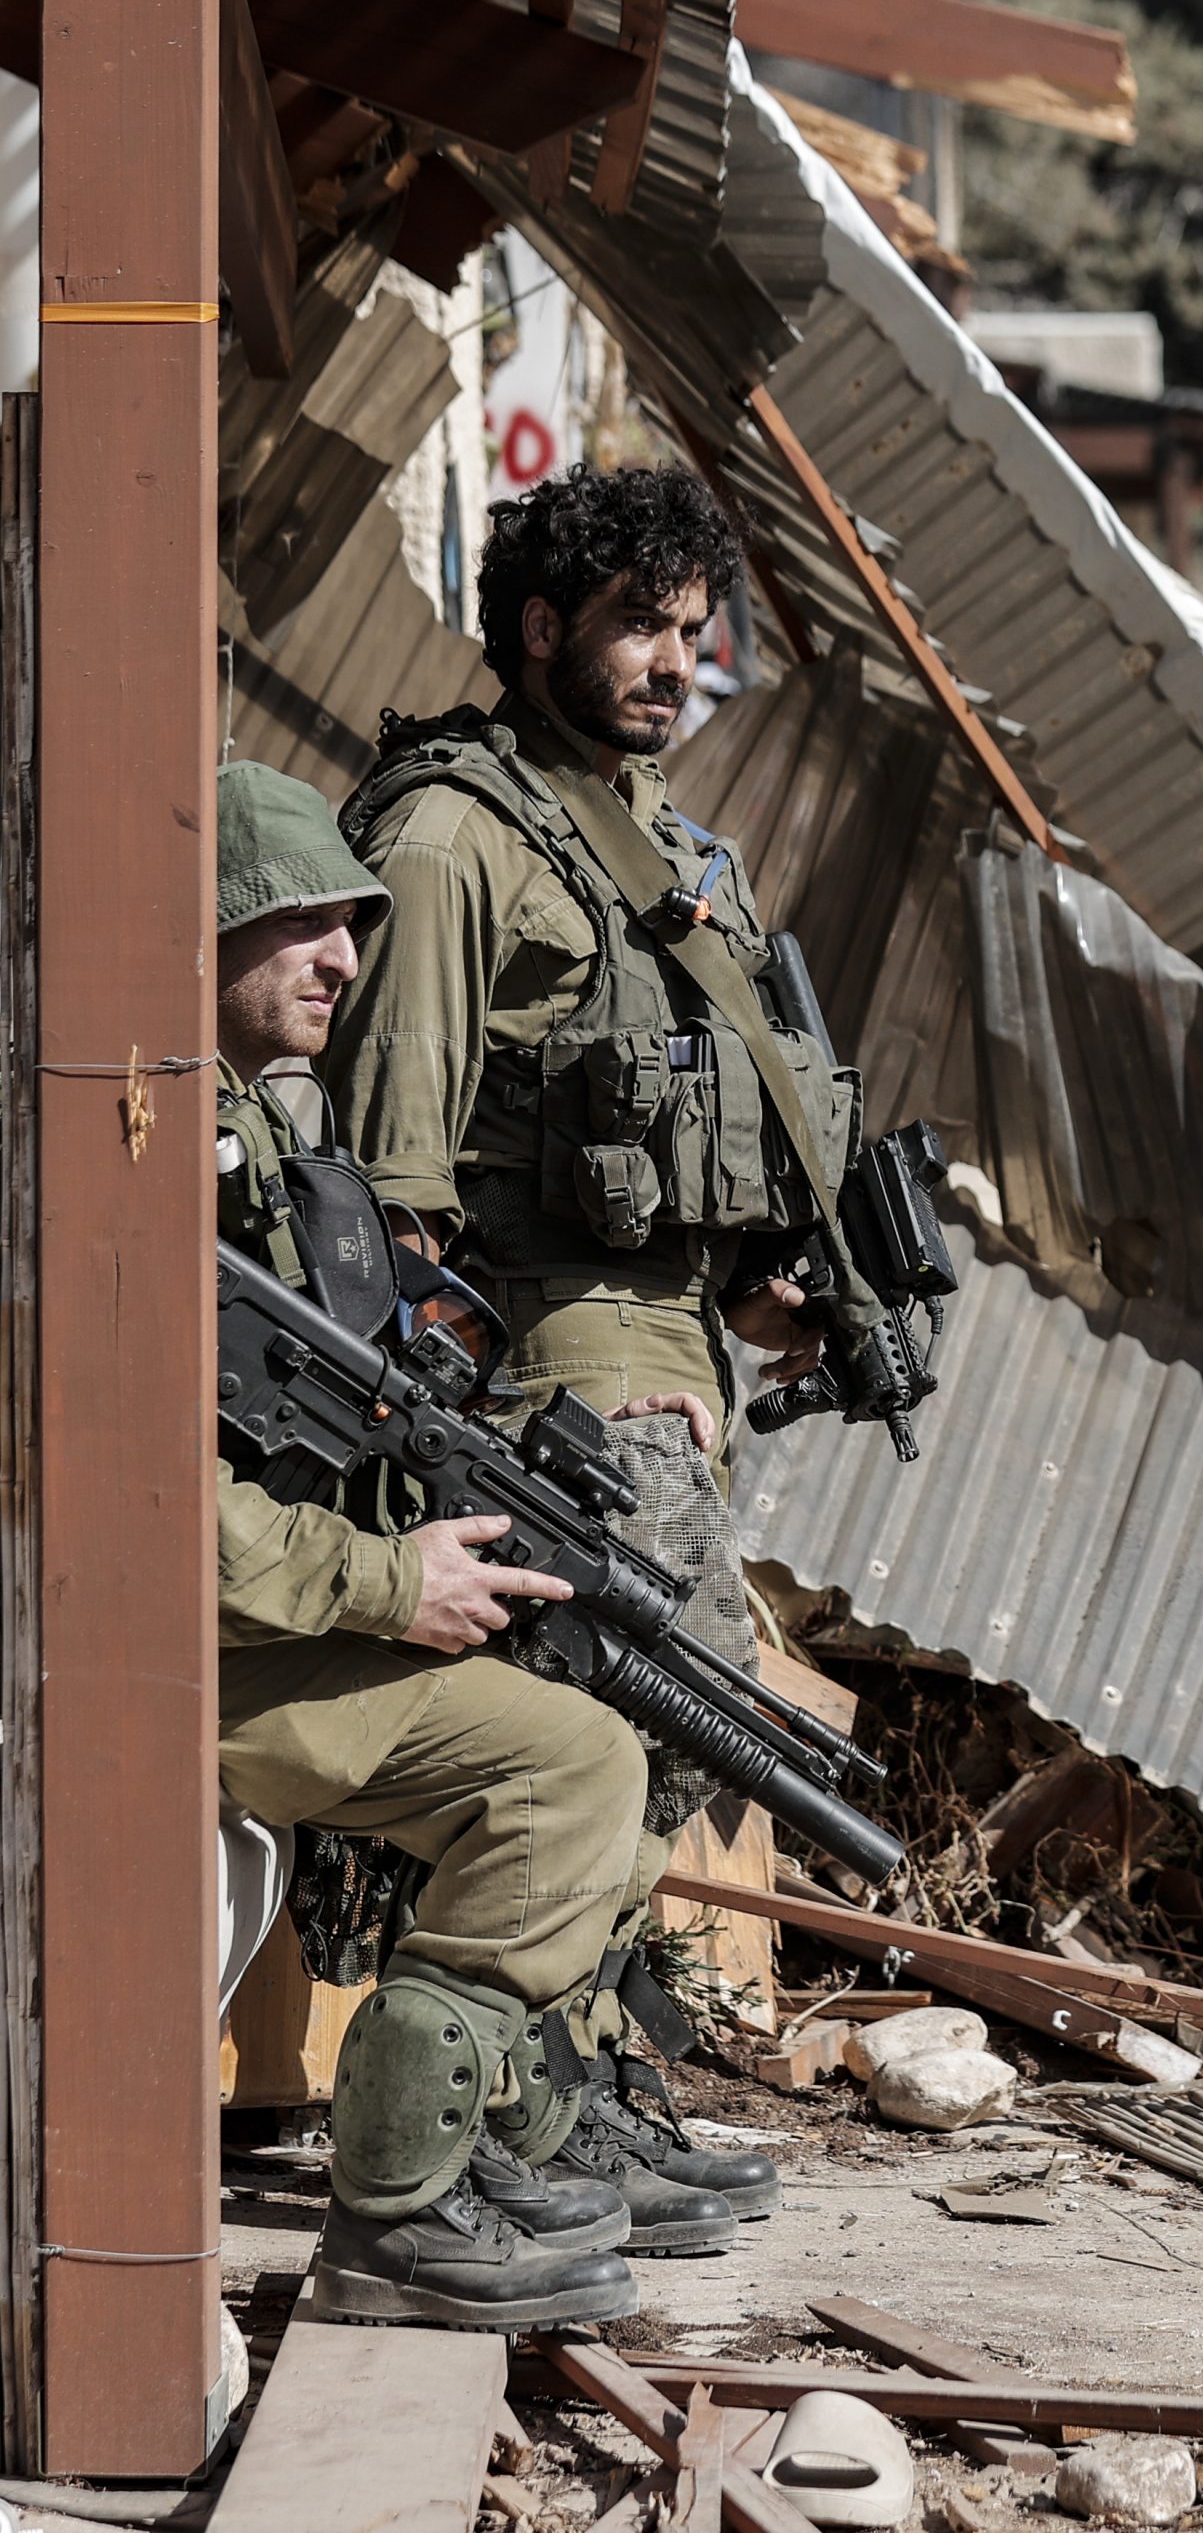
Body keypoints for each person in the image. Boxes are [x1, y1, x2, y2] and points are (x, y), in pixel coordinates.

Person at [323, 465, 871, 2220]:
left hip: (668, 1362)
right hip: (547, 1376)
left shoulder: (668, 850)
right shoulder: (450, 837)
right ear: (542, 624)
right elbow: (387, 1190)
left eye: (693, 632)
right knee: (624, 1731)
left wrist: (761, 1301)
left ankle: (567, 2092)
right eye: (640, 624)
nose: (674, 664)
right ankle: (505, 2118)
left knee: (666, 1738)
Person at [213, 760, 744, 2332]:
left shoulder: (262, 1142)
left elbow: (359, 1399)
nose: (344, 959)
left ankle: (491, 2139)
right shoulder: (147, 1143)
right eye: (302, 922)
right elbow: (133, 1493)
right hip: (179, 1646)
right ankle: (395, 2215)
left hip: (260, 1617)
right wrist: (394, 1582)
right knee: (564, 1767)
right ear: (202, 926)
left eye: (355, 925)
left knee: (602, 1720)